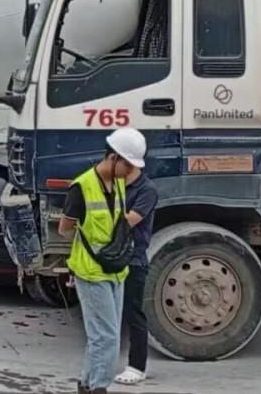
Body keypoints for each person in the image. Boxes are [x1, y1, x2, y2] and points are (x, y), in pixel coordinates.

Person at [58, 128, 145, 394]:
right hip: (92, 271)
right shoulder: (81, 187)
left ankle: (86, 384)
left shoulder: (118, 183)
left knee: (102, 336)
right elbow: (65, 228)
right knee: (107, 338)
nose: (130, 171)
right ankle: (99, 387)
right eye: (128, 165)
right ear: (112, 158)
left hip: (116, 269)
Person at [114, 149, 159, 387]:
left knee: (134, 314)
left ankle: (137, 367)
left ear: (128, 163)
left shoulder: (146, 190)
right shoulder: (118, 185)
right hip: (114, 258)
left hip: (133, 259)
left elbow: (129, 220)